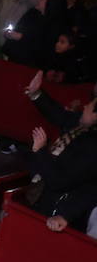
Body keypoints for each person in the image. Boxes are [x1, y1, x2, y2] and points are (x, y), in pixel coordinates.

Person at [23, 72, 97, 233]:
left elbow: (59, 181)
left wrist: (41, 151)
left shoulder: (91, 149)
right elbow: (61, 115)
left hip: (57, 209)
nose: (84, 107)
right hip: (43, 194)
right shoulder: (82, 125)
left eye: (89, 108)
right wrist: (36, 94)